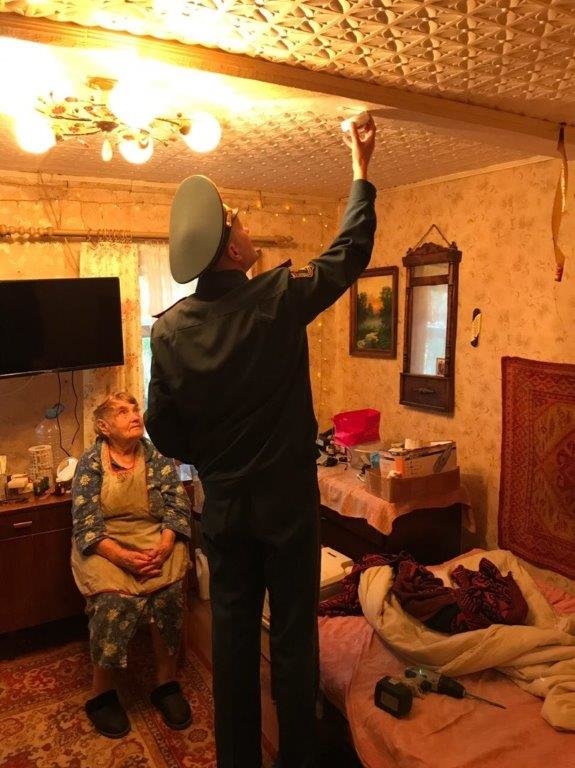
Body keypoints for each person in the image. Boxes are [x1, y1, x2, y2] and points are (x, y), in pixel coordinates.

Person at [145, 116, 377, 768]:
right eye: (239, 223)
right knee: (295, 641)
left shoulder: (168, 333)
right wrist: (359, 169)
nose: (248, 229)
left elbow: (162, 428)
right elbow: (349, 252)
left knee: (233, 642)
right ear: (230, 250)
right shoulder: (277, 298)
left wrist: (214, 458)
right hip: (287, 510)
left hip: (224, 510)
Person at [70, 391, 192, 739]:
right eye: (122, 412)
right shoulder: (90, 463)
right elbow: (86, 523)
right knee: (114, 600)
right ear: (104, 426)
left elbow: (177, 506)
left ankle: (165, 684)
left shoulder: (157, 456)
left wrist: (165, 545)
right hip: (105, 545)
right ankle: (101, 694)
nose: (134, 414)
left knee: (168, 595)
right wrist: (123, 558)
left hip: (154, 539)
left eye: (135, 408)